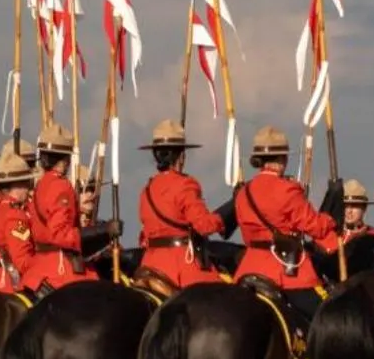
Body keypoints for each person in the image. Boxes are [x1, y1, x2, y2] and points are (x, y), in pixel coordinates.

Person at [236, 127, 341, 321]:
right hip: (285, 271)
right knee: (326, 318)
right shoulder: (287, 189)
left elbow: (246, 235)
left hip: (249, 268)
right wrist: (331, 219)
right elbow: (314, 226)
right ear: (282, 159)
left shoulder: (244, 192)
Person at [20, 124, 115, 294]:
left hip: (41, 264)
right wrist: (101, 232)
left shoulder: (41, 183)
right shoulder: (60, 185)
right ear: (66, 160)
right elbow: (59, 234)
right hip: (60, 268)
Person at [135, 120, 228, 290]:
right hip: (181, 265)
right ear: (181, 156)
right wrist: (223, 218)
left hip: (150, 264)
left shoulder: (146, 190)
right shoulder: (186, 184)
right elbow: (204, 226)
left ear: (156, 155)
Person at [0, 145, 38, 291]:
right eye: (26, 183)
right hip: (8, 282)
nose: (28, 188)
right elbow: (22, 261)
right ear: (18, 185)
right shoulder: (15, 214)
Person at [334, 178, 374, 274]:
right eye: (345, 206)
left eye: (354, 206)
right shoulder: (331, 236)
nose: (349, 211)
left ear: (364, 208)